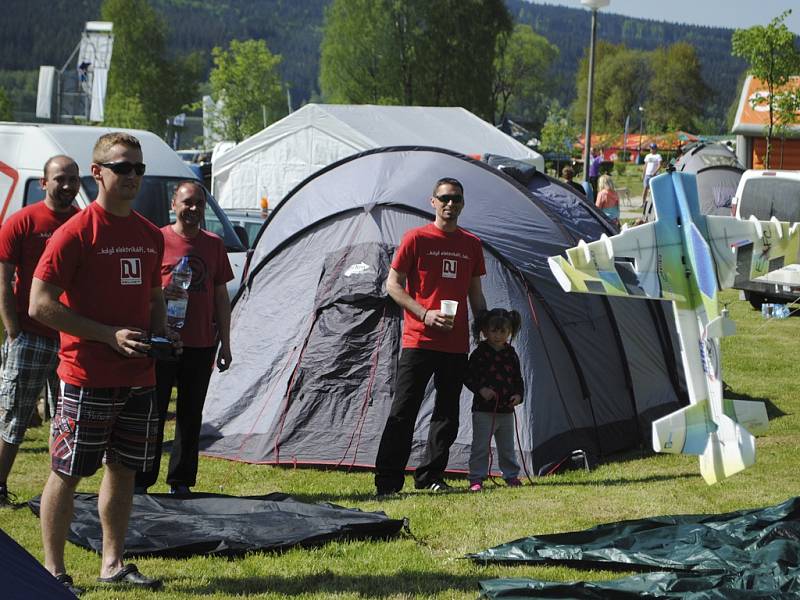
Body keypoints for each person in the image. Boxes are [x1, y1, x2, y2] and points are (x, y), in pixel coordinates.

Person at [29, 132, 178, 595]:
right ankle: (53, 573)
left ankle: (113, 564)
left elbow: (154, 296)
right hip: (86, 376)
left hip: (139, 376)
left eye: (138, 168)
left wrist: (159, 336)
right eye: (122, 167)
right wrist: (107, 335)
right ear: (97, 173)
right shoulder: (74, 232)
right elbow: (40, 304)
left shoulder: (150, 234)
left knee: (125, 470)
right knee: (67, 472)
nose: (132, 176)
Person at [374, 177, 487, 496]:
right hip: (418, 340)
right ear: (433, 202)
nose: (451, 204)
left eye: (457, 199)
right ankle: (388, 482)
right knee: (403, 411)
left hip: (455, 343)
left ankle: (431, 475)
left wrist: (484, 328)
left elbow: (475, 294)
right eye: (445, 198)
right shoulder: (416, 239)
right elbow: (392, 285)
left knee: (447, 413)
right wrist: (424, 313)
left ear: (463, 204)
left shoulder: (471, 244)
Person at [134, 181, 233, 495]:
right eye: (187, 203)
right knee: (154, 413)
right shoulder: (156, 239)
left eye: (199, 204)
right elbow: (142, 293)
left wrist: (226, 343)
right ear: (174, 205)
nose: (193, 209)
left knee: (191, 415)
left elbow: (220, 296)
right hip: (162, 342)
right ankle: (141, 480)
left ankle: (181, 480)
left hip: (201, 342)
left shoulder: (214, 244)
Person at [0, 156, 80, 507]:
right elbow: (2, 280)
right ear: (44, 183)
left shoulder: (83, 222)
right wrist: (14, 330)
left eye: (72, 179)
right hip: (30, 335)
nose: (67, 186)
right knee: (14, 415)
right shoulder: (22, 222)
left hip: (71, 337)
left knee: (65, 423)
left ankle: (53, 496)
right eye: (60, 179)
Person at [464, 308, 524, 492]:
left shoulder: (511, 354)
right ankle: (476, 478)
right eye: (494, 331)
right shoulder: (479, 353)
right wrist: (480, 389)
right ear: (485, 331)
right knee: (480, 446)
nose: (498, 335)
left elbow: (517, 379)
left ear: (510, 332)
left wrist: (518, 395)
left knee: (507, 447)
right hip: (483, 410)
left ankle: (511, 475)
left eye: (503, 331)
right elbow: (468, 376)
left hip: (505, 411)